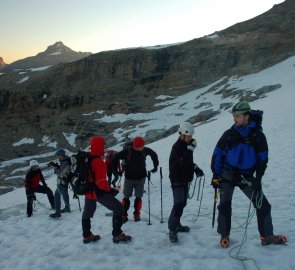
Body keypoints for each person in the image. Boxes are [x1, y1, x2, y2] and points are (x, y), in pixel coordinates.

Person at [211, 101, 287, 248]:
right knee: (225, 205)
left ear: (247, 116)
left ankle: (267, 236)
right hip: (227, 174)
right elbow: (218, 155)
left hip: (245, 176)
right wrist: (215, 175)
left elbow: (262, 160)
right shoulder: (229, 134)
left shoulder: (258, 136)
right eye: (234, 116)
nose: (235, 119)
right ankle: (224, 235)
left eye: (238, 116)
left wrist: (258, 179)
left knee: (263, 205)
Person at [82, 135, 131, 244]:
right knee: (118, 208)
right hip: (98, 192)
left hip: (88, 190)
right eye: (103, 145)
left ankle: (86, 236)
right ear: (100, 145)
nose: (104, 147)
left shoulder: (88, 157)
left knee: (87, 213)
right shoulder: (98, 161)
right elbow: (101, 183)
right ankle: (117, 234)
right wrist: (112, 191)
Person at [168, 122, 204, 243]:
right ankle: (172, 229)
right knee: (178, 203)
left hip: (184, 179)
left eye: (191, 136)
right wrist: (190, 149)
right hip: (177, 179)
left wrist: (196, 168)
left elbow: (188, 162)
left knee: (182, 203)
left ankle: (177, 225)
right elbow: (183, 160)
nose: (191, 138)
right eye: (189, 136)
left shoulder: (186, 145)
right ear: (182, 135)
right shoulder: (177, 146)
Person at [112, 136, 159, 222]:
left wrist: (156, 166)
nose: (142, 148)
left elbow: (153, 154)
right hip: (129, 178)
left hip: (141, 178)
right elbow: (115, 158)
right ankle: (124, 214)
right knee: (126, 197)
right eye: (140, 146)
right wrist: (115, 171)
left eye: (142, 146)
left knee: (138, 197)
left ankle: (136, 214)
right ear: (135, 146)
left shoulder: (144, 149)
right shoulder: (127, 151)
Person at [48, 148, 71, 218]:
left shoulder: (65, 162)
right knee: (65, 194)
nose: (57, 157)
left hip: (62, 182)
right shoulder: (65, 161)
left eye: (58, 156)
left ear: (61, 155)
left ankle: (57, 212)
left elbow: (59, 173)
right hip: (64, 182)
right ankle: (67, 208)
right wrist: (57, 166)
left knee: (57, 197)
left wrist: (55, 167)